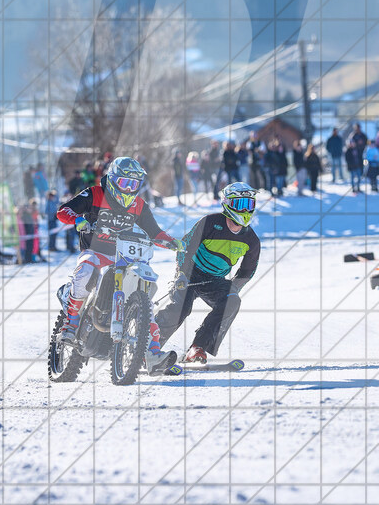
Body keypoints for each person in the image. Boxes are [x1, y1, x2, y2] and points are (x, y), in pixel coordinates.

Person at [55, 156, 181, 375]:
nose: (129, 189)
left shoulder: (139, 205)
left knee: (145, 301)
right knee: (86, 270)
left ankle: (152, 353)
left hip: (125, 258)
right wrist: (78, 220)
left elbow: (155, 232)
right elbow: (63, 211)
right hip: (95, 252)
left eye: (134, 185)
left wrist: (173, 243)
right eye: (125, 183)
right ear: (113, 180)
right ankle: (71, 322)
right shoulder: (95, 194)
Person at [156, 183, 261, 365]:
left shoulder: (251, 239)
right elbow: (185, 248)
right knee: (182, 308)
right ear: (228, 204)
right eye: (239, 204)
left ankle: (198, 347)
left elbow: (248, 270)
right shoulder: (211, 223)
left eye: (249, 204)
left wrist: (233, 288)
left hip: (215, 280)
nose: (244, 209)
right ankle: (149, 347)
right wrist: (181, 273)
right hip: (190, 274)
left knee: (232, 301)